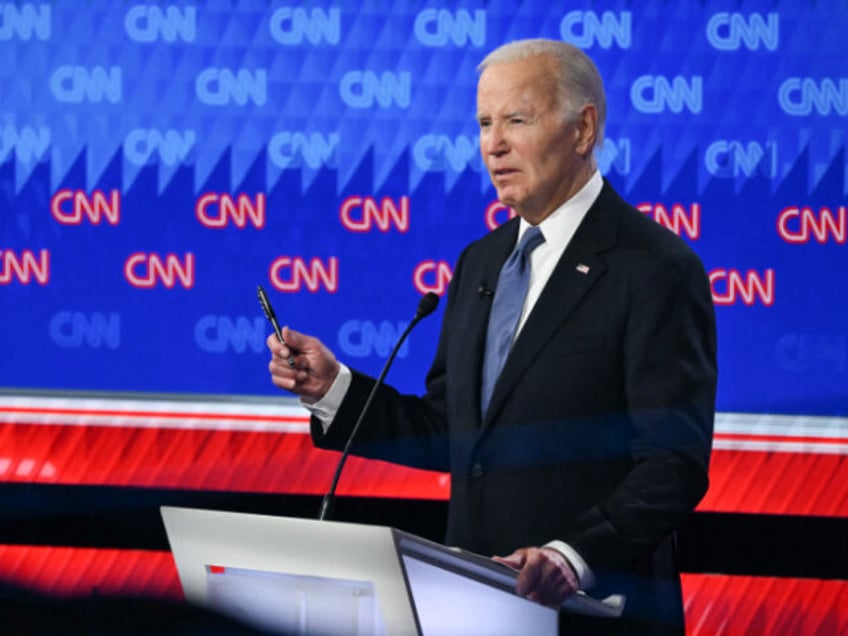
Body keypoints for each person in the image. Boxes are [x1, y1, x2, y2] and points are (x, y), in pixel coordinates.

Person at [267, 38, 717, 635]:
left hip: (592, 615)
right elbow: (452, 435)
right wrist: (335, 391)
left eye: (516, 120)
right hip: (474, 610)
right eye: (483, 123)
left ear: (583, 129)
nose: (492, 144)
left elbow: (672, 465)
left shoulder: (654, 268)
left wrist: (570, 557)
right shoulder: (482, 263)